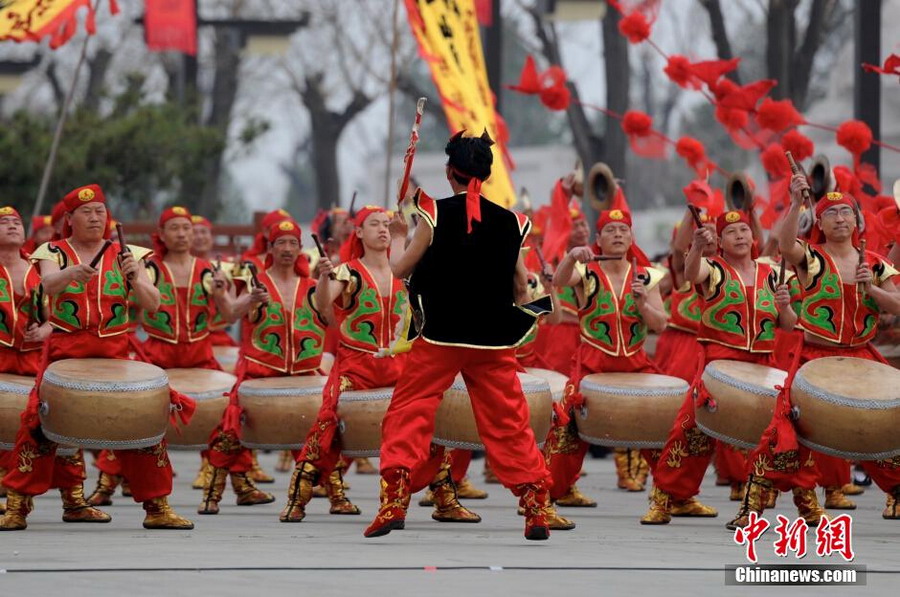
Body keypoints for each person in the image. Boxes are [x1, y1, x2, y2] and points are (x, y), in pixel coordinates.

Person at [364, 130, 554, 541]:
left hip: (441, 338)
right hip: (493, 339)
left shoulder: (432, 212)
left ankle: (394, 502)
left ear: (450, 172)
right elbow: (522, 289)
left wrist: (398, 236)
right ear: (483, 175)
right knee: (508, 423)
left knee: (409, 412)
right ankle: (536, 507)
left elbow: (399, 271)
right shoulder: (515, 222)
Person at [1, 185, 193, 530]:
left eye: (100, 212)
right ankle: (17, 507)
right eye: (87, 212)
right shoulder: (52, 251)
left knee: (141, 425)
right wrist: (69, 274)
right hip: (65, 353)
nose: (95, 218)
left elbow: (153, 304)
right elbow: (43, 287)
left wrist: (136, 278)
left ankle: (157, 506)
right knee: (39, 428)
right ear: (69, 219)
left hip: (117, 353)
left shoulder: (128, 253)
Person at [741, 177, 900, 523]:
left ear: (857, 221)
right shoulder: (811, 257)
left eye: (847, 212)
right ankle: (754, 505)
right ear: (820, 222)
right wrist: (796, 201)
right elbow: (784, 245)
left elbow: (898, 304)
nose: (840, 218)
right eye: (832, 214)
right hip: (815, 357)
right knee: (785, 429)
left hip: (861, 357)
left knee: (882, 426)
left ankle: (897, 492)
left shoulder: (874, 263)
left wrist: (871, 290)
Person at [641, 209, 802, 526]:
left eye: (744, 230)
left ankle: (771, 504)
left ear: (753, 237)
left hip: (761, 366)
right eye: (732, 232)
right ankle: (665, 499)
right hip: (718, 363)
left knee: (774, 434)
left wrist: (784, 307)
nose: (740, 235)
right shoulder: (712, 270)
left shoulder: (770, 273)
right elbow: (689, 274)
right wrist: (698, 247)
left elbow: (788, 325)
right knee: (689, 432)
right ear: (721, 241)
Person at [543, 208, 670, 524]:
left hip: (636, 365)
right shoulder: (585, 272)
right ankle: (547, 494)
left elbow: (661, 324)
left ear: (631, 237)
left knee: (665, 422)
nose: (617, 235)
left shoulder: (647, 275)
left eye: (623, 230)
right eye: (610, 230)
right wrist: (572, 256)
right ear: (598, 239)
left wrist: (642, 304)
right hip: (592, 364)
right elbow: (558, 282)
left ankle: (671, 496)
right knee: (567, 427)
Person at [200, 220, 324, 515]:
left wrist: (330, 281)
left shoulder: (313, 285)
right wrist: (229, 296)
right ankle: (212, 495)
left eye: (293, 243)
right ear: (270, 248)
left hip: (302, 373)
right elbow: (230, 312)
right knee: (231, 428)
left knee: (322, 426)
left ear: (301, 249)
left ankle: (334, 495)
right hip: (260, 371)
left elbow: (333, 319)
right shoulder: (257, 283)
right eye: (281, 242)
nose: (287, 249)